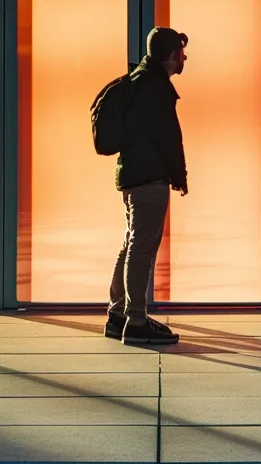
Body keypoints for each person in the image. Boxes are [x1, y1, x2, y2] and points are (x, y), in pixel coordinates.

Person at [104, 27, 188, 345]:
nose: (184, 57)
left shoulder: (139, 81)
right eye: (180, 52)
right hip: (148, 179)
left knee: (131, 245)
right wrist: (179, 176)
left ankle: (118, 314)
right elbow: (168, 138)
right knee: (141, 248)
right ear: (169, 56)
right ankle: (136, 322)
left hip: (131, 176)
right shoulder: (156, 88)